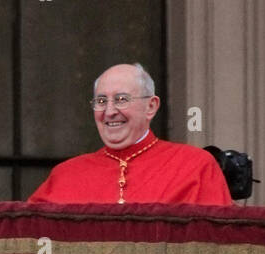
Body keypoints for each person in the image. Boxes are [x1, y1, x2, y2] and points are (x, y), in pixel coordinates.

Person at [27, 63, 233, 205]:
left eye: (121, 99)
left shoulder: (195, 167)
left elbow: (217, 251)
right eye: (101, 101)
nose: (109, 111)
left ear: (150, 106)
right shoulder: (65, 175)